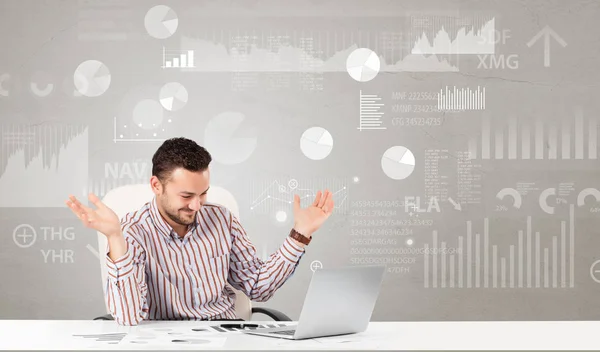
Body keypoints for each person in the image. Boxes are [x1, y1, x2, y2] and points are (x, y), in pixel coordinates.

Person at [66, 137, 334, 326]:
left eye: (203, 193)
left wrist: (301, 233)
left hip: (226, 335)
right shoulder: (133, 232)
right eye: (186, 195)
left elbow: (258, 287)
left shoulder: (221, 219)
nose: (196, 205)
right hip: (166, 341)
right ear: (156, 186)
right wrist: (115, 238)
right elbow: (127, 316)